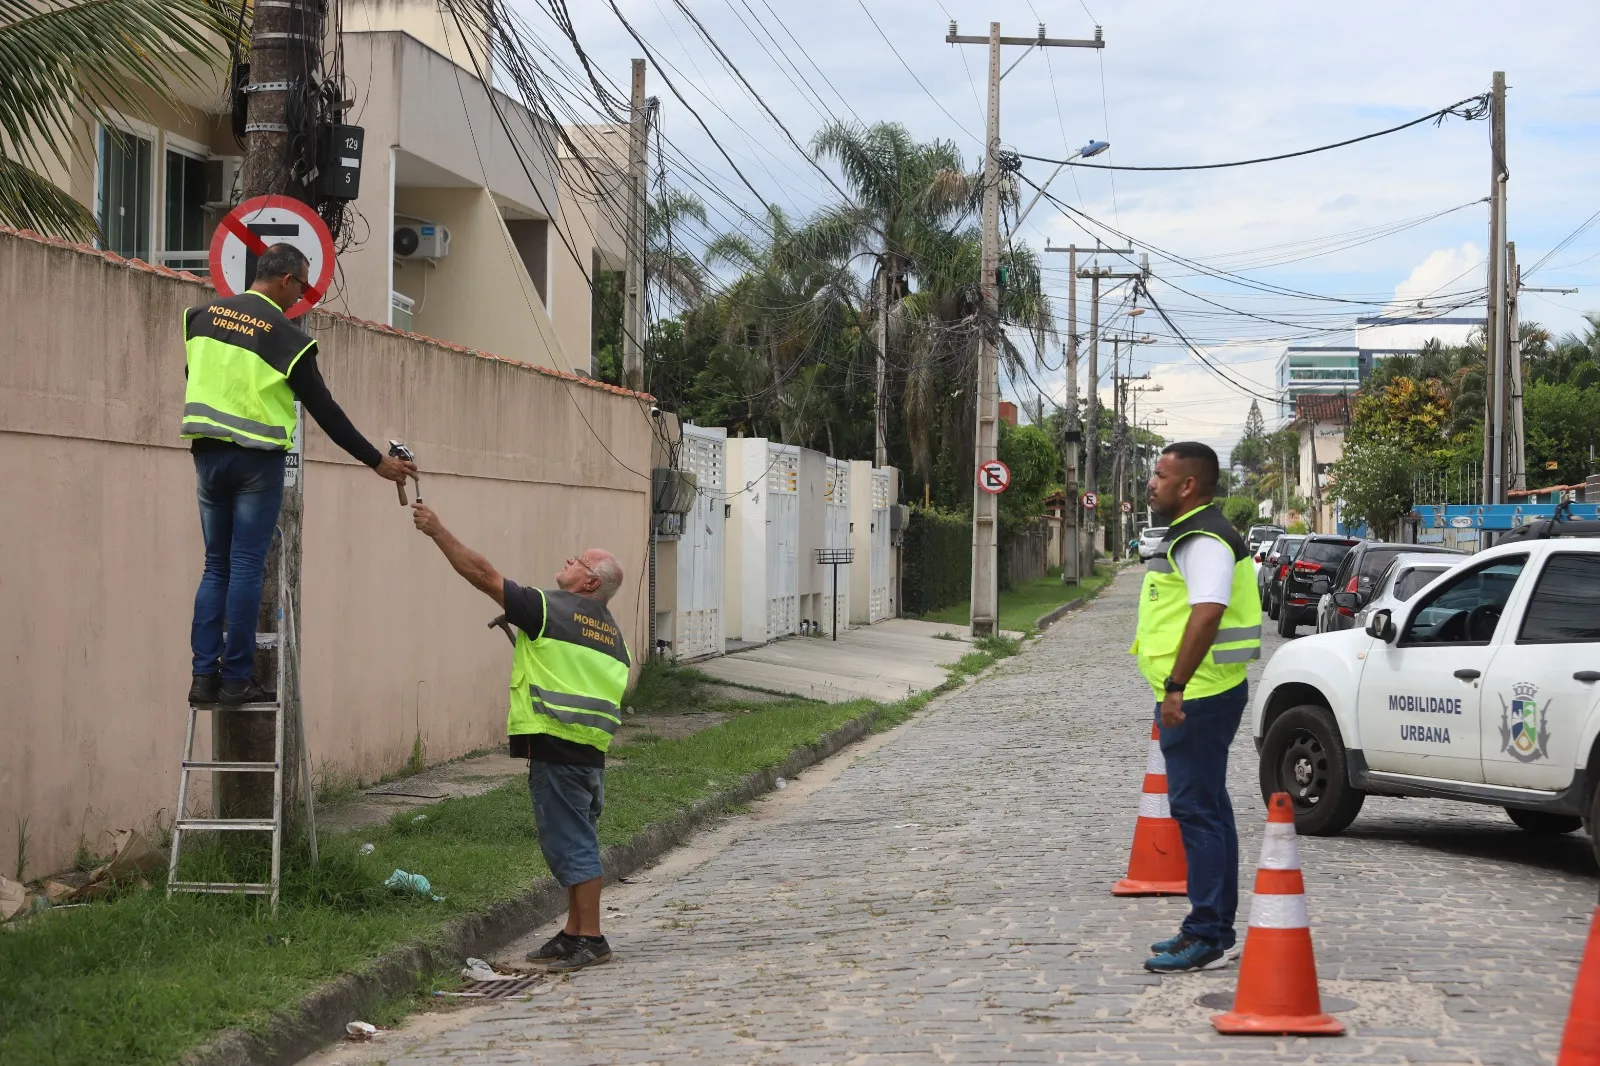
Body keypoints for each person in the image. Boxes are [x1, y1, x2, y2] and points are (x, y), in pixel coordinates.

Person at [183, 243, 417, 705]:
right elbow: (324, 410)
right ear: (286, 279)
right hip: (257, 461)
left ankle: (201, 679)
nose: (300, 298)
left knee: (216, 567)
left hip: (207, 456)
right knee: (247, 565)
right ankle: (235, 680)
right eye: (301, 287)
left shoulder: (198, 318)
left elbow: (197, 377)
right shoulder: (288, 338)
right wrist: (377, 461)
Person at [411, 501, 629, 973]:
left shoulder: (552, 607)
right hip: (588, 751)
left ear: (592, 583)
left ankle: (591, 937)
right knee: (577, 833)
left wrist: (438, 531)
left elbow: (484, 574)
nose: (570, 562)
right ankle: (573, 932)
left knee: (572, 843)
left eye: (580, 562)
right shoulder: (612, 634)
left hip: (557, 745)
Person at [1130, 441, 1262, 973]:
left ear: (1188, 486)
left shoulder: (1203, 536)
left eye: (1160, 475)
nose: (1151, 483)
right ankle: (1206, 923)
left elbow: (1207, 612)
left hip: (1200, 693)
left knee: (1197, 811)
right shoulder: (1197, 530)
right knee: (1208, 808)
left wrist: (1176, 685)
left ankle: (1208, 933)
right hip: (1207, 689)